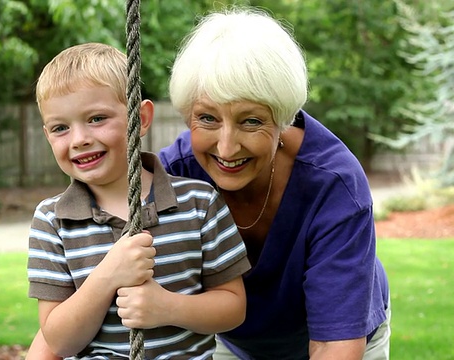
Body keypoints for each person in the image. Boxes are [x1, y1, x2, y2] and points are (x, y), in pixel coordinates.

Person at [157, 7, 391, 360]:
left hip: (342, 338)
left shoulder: (334, 185)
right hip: (233, 342)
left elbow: (335, 345)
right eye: (207, 118)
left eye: (250, 121)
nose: (226, 147)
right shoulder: (175, 173)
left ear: (281, 118)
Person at [27, 42, 251, 359]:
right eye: (60, 127)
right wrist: (107, 276)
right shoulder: (52, 222)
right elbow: (59, 341)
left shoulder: (199, 202)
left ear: (141, 118)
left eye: (96, 119)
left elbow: (233, 307)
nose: (79, 139)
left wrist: (168, 307)